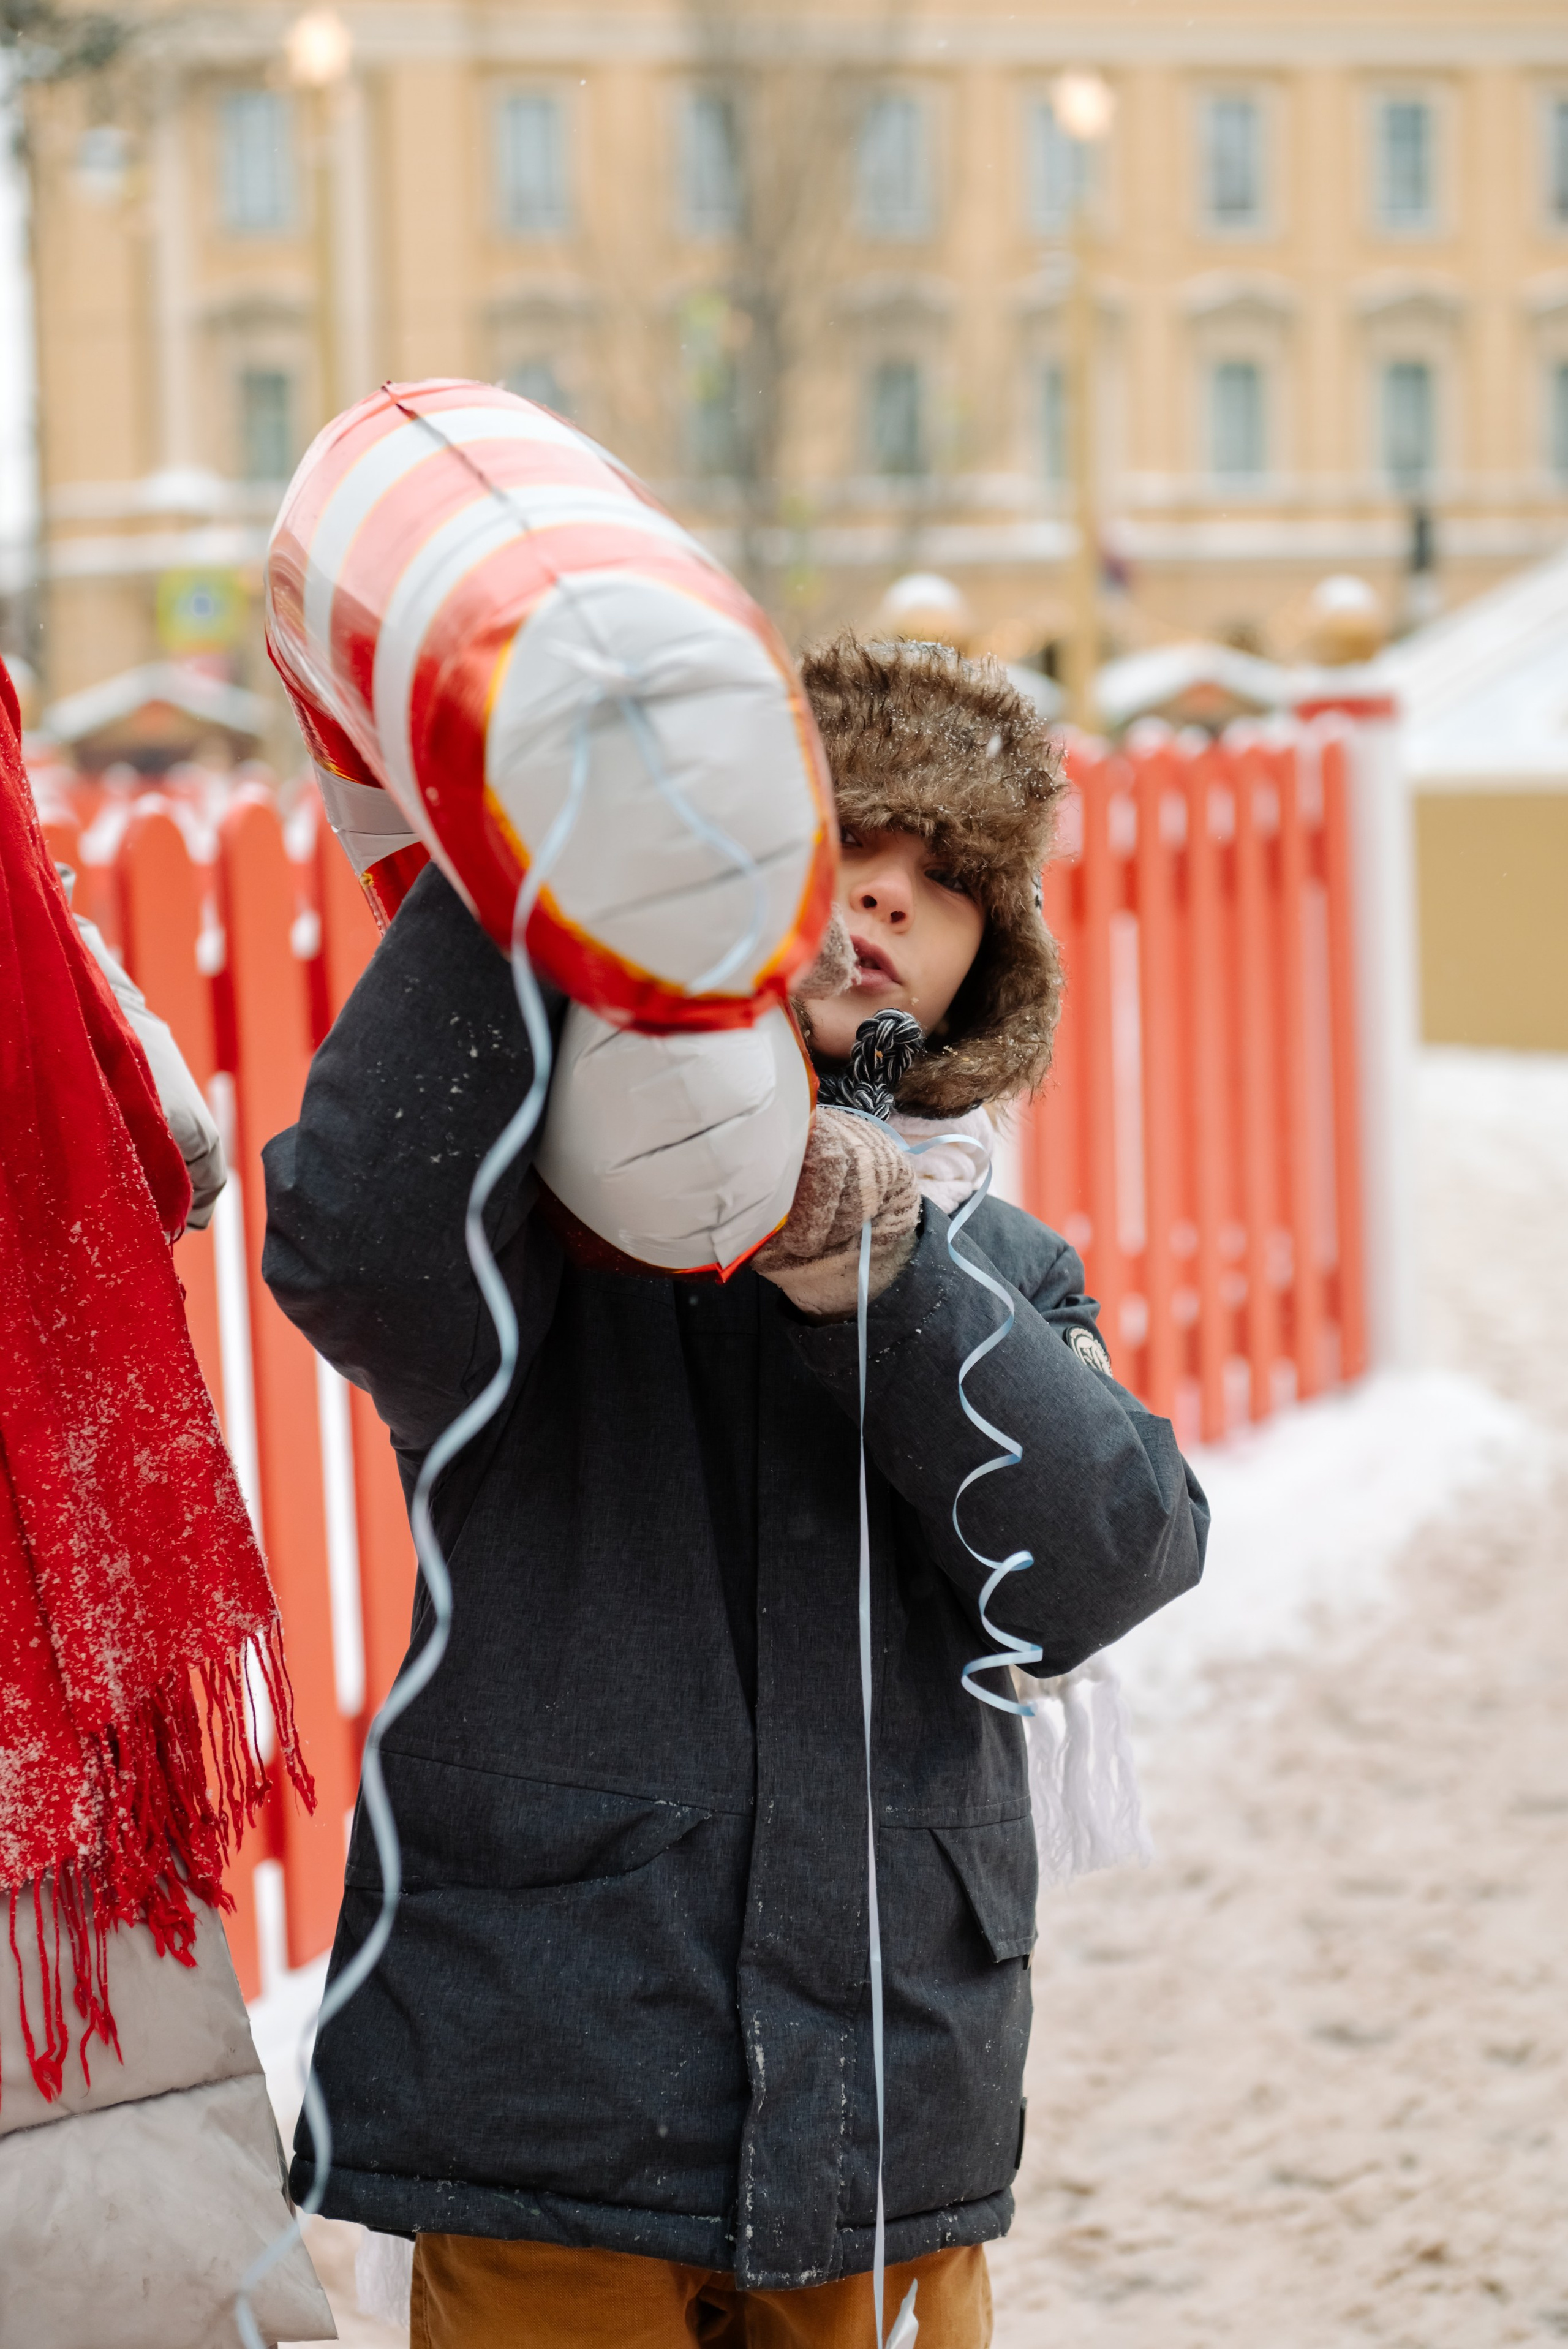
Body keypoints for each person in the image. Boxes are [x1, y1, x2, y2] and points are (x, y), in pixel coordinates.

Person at [262, 633, 1209, 2349]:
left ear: (985, 970)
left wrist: (891, 1281)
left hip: (885, 2128)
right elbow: (351, 1238)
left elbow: (1105, 1558)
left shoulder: (999, 1266)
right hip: (550, 2107)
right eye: (849, 847)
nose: (890, 898)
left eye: (945, 882)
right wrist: (540, 863)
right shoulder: (544, 1238)